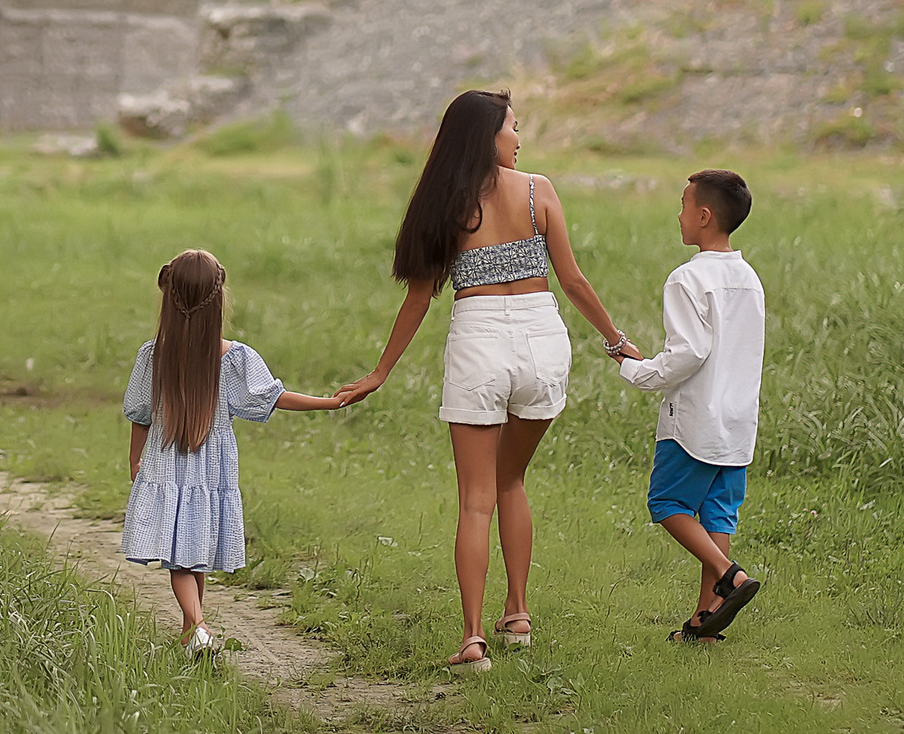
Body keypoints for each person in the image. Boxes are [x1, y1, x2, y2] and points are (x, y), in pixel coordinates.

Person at [339, 90, 633, 671]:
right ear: (487, 137)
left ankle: (473, 638)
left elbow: (420, 298)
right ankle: (517, 614)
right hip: (543, 340)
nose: (519, 140)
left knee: (475, 500)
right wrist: (618, 344)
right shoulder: (539, 191)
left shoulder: (443, 203)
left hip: (478, 342)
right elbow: (571, 281)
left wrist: (381, 371)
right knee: (512, 480)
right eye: (513, 129)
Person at [123, 248, 351, 656]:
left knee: (182, 560)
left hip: (165, 464)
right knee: (191, 557)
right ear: (219, 298)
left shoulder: (152, 355)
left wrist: (135, 458)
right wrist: (328, 403)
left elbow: (140, 414)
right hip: (212, 470)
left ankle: (195, 631)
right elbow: (275, 398)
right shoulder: (235, 359)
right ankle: (197, 629)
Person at [611, 170, 767, 643]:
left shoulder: (687, 279)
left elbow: (688, 353)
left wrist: (637, 369)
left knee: (667, 502)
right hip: (738, 420)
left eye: (682, 205)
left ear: (703, 216)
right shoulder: (748, 278)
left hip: (695, 420)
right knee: (717, 514)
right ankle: (705, 620)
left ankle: (730, 575)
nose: (677, 214)